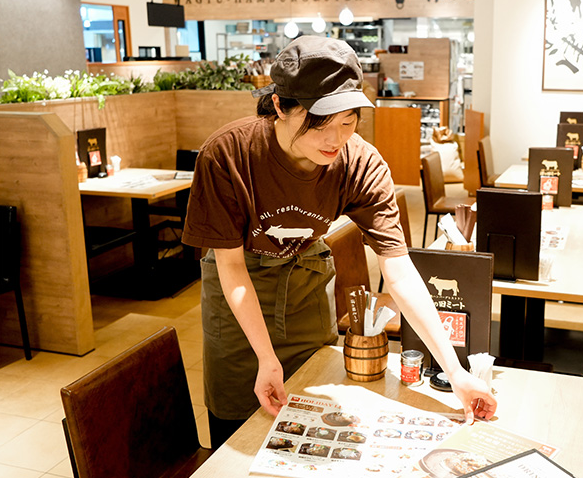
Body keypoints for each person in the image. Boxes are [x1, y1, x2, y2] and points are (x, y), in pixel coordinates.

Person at [182, 35, 497, 448]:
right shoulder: (227, 154)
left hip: (306, 281)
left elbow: (398, 271)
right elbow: (230, 266)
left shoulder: (360, 162)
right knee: (237, 419)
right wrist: (264, 356)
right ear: (279, 106)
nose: (335, 138)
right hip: (239, 290)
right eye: (320, 122)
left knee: (314, 408)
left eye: (348, 121)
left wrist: (455, 372)